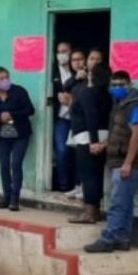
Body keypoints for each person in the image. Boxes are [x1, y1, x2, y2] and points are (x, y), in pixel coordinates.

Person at [84, 71, 138, 253]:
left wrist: (128, 163)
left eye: (121, 84)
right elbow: (120, 134)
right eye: (113, 85)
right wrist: (105, 144)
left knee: (118, 202)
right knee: (125, 202)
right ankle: (122, 238)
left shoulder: (136, 106)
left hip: (129, 163)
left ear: (130, 85)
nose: (116, 88)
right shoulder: (120, 104)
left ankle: (108, 239)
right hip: (118, 160)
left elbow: (136, 136)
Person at [0, 66, 36, 212]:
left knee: (16, 164)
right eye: (1, 78)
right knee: (4, 165)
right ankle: (6, 197)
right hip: (2, 136)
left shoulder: (19, 91)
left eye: (7, 77)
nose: (5, 80)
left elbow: (30, 110)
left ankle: (14, 199)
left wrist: (12, 114)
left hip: (20, 134)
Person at [68, 63, 113, 224]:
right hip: (103, 135)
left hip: (88, 137)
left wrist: (93, 141)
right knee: (97, 174)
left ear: (93, 76)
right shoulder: (107, 94)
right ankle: (96, 210)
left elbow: (91, 116)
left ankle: (89, 212)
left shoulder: (88, 92)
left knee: (88, 176)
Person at [62, 50, 89, 199]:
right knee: (77, 155)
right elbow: (66, 87)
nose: (77, 63)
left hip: (89, 123)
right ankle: (78, 185)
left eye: (80, 59)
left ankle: (87, 187)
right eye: (74, 60)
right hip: (75, 122)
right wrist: (76, 79)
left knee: (87, 158)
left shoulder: (92, 76)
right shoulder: (74, 79)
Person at [52, 42, 75, 193]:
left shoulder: (78, 70)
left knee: (78, 153)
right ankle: (63, 186)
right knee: (62, 152)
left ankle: (78, 186)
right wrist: (57, 96)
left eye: (65, 51)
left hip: (77, 119)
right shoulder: (52, 71)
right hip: (61, 119)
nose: (61, 54)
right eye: (59, 51)